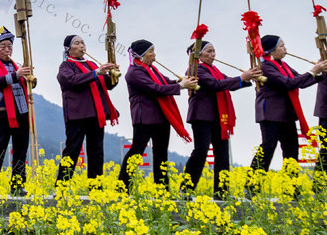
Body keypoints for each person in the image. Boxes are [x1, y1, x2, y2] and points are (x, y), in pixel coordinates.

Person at [117, 39, 196, 189]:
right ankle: (122, 187)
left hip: (161, 117)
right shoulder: (133, 72)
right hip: (144, 118)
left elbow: (166, 83)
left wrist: (182, 82)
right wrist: (181, 85)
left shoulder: (152, 70)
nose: (154, 56)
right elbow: (155, 89)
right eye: (151, 52)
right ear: (140, 55)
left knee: (161, 154)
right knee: (137, 151)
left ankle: (162, 189)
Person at [184, 42, 259, 198]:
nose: (213, 54)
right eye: (209, 51)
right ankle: (186, 189)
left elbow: (228, 83)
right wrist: (241, 78)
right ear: (198, 54)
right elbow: (214, 85)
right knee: (201, 151)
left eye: (214, 51)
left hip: (219, 117)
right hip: (202, 117)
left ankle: (221, 191)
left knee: (223, 154)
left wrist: (247, 78)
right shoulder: (195, 68)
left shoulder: (214, 70)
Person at [250, 35, 327, 171]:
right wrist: (314, 71)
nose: (285, 49)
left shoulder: (283, 65)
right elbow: (288, 83)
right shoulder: (265, 67)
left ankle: (291, 189)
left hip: (287, 115)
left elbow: (300, 81)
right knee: (267, 148)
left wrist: (319, 72)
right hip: (270, 115)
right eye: (282, 46)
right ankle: (252, 185)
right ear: (271, 51)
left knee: (291, 152)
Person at [55, 34, 120, 187]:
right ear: (68, 49)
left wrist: (112, 75)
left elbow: (107, 85)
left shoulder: (91, 64)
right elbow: (73, 81)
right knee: (72, 151)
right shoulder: (65, 67)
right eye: (77, 43)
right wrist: (97, 72)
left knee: (97, 152)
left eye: (83, 42)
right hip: (77, 115)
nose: (82, 45)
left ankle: (96, 187)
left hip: (96, 114)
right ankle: (62, 186)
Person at [0, 27, 34, 197]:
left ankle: (18, 184)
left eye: (9, 46)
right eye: (3, 46)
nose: (7, 50)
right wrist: (17, 75)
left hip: (21, 112)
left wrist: (30, 79)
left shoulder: (18, 65)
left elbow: (25, 84)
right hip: (1, 113)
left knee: (20, 150)